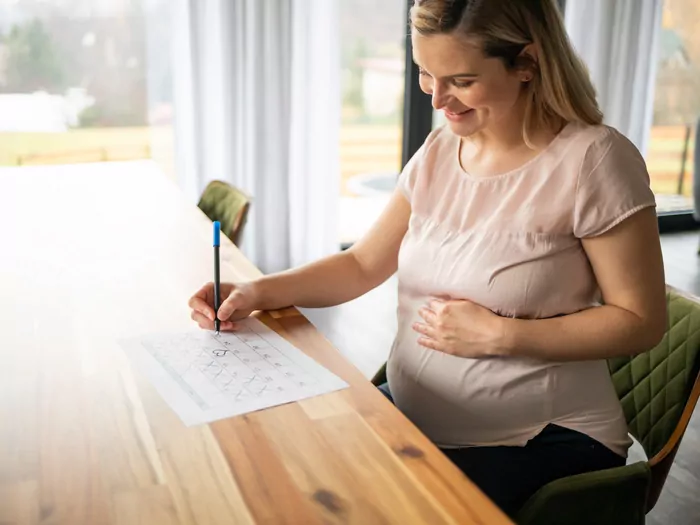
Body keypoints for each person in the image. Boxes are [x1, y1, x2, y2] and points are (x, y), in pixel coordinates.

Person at [188, 0, 667, 517]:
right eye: (426, 74)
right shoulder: (441, 150)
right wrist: (258, 291)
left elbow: (641, 322)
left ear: (527, 62)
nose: (439, 99)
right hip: (419, 416)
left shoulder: (593, 160)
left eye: (461, 80)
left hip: (540, 442)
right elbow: (362, 264)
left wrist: (504, 335)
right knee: (281, 472)